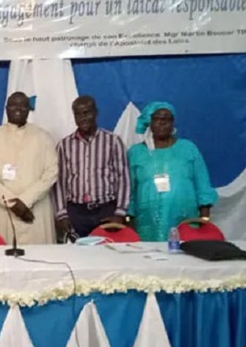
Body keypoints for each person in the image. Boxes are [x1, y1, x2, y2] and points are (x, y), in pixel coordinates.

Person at [127, 102, 218, 241]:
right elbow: (129, 191)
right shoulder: (136, 153)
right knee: (149, 253)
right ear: (149, 122)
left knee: (184, 253)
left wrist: (204, 217)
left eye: (167, 119)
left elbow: (202, 183)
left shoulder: (188, 148)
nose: (162, 123)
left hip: (185, 218)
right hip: (147, 221)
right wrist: (129, 219)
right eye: (157, 119)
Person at [0, 92, 58, 245]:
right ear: (6, 109)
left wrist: (25, 200)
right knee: (3, 255)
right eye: (13, 105)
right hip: (3, 210)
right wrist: (13, 204)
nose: (18, 109)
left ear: (29, 109)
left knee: (41, 257)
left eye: (23, 105)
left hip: (36, 209)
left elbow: (51, 173)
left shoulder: (44, 137)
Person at [53, 96, 130, 240]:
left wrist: (120, 212)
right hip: (76, 212)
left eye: (87, 112)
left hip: (106, 210)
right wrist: (62, 214)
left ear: (96, 113)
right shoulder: (64, 145)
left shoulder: (113, 141)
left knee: (107, 252)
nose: (83, 118)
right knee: (77, 253)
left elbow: (123, 178)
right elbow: (60, 182)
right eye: (78, 114)